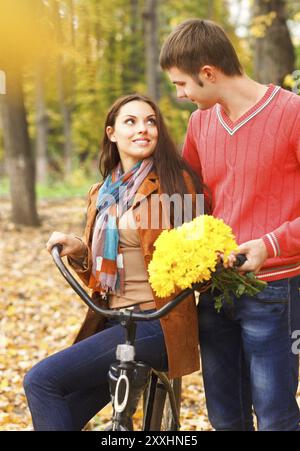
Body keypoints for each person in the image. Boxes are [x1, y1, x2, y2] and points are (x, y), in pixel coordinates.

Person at [23, 93, 204, 431]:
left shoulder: (178, 185)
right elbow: (104, 267)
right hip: (112, 321)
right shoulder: (102, 192)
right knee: (61, 407)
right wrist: (78, 248)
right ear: (111, 133)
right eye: (131, 121)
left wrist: (201, 259)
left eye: (151, 121)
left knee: (40, 381)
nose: (144, 129)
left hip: (156, 323)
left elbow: (199, 261)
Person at [160, 19, 300, 431]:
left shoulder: (292, 114)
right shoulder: (200, 125)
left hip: (274, 289)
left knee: (275, 418)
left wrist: (269, 245)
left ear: (208, 73)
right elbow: (187, 201)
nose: (181, 95)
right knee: (224, 418)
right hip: (214, 290)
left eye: (180, 84)